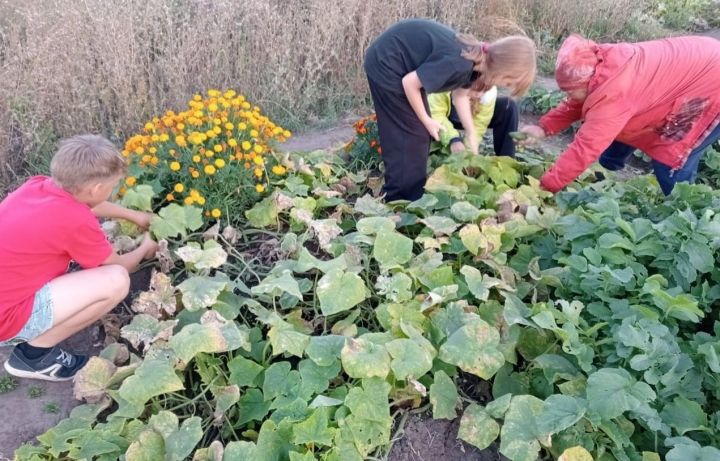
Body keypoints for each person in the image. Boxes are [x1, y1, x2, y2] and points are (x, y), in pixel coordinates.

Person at [0, 135, 158, 381]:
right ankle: (33, 356)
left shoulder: (38, 185)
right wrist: (145, 248)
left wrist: (134, 215)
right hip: (5, 320)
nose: (111, 191)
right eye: (111, 186)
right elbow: (119, 266)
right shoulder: (74, 220)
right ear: (96, 189)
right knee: (116, 281)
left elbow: (86, 205)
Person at [521, 34, 720, 195]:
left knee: (671, 158)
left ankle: (689, 211)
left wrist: (543, 189)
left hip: (711, 84)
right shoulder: (599, 65)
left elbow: (585, 148)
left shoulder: (615, 94)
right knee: (626, 127)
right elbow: (578, 101)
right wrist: (543, 128)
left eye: (570, 91)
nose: (568, 95)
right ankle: (605, 177)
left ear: (585, 82)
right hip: (698, 62)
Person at [364, 18, 536, 201]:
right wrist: (427, 120)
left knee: (418, 133)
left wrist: (470, 133)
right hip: (387, 64)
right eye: (507, 82)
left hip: (399, 65)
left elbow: (459, 96)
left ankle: (410, 195)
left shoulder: (476, 64)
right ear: (502, 69)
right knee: (412, 135)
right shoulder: (460, 63)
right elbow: (409, 83)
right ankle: (400, 199)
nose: (504, 86)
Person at [429, 85, 519, 156]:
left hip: (472, 120)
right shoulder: (447, 82)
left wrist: (469, 153)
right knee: (423, 117)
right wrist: (453, 139)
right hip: (445, 117)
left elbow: (479, 126)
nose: (479, 94)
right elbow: (435, 113)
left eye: (484, 90)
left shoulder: (488, 95)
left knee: (508, 107)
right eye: (477, 89)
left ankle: (505, 163)